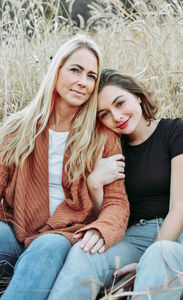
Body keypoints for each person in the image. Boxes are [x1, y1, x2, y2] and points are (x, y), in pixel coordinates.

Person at [0, 38, 130, 300]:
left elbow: (117, 202)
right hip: (18, 230)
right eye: (75, 70)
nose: (83, 82)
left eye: (91, 76)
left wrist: (101, 228)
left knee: (46, 246)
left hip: (65, 234)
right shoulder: (17, 128)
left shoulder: (102, 136)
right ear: (57, 69)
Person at [88, 68, 183, 299]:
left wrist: (145, 264)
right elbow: (108, 216)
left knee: (160, 255)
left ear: (136, 95)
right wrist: (94, 185)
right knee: (85, 254)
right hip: (135, 237)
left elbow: (180, 209)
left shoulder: (178, 132)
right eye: (104, 114)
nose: (116, 116)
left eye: (120, 103)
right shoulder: (110, 150)